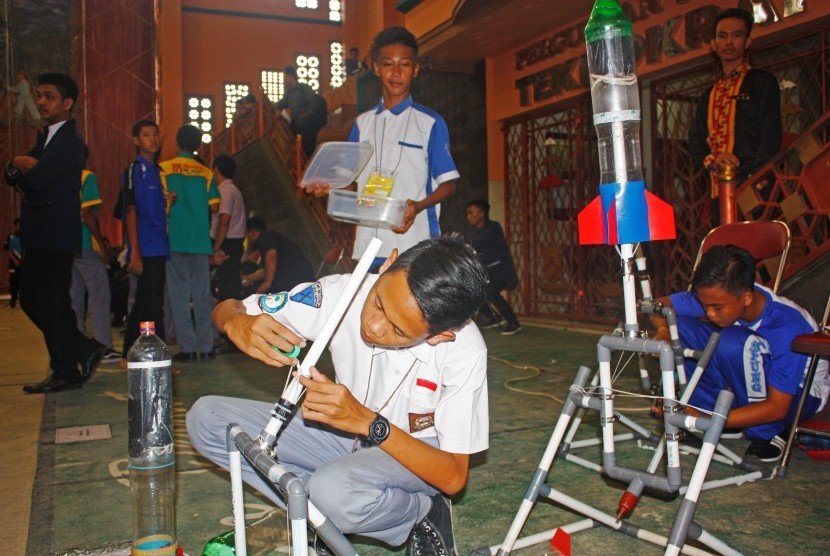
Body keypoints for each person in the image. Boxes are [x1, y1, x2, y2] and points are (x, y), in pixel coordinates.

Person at [187, 236, 489, 553]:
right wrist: (235, 321)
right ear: (386, 264)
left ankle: (421, 512)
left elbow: (453, 477)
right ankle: (320, 516)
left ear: (439, 336)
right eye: (379, 302)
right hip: (345, 433)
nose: (373, 325)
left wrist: (370, 423)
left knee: (331, 493)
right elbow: (230, 307)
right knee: (207, 419)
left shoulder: (465, 352)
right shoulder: (341, 293)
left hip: (417, 453)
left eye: (398, 331)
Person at [650, 245, 829, 463]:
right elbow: (660, 305)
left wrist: (711, 420)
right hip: (748, 380)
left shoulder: (786, 326)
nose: (709, 314)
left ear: (746, 298)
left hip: (800, 396)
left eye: (716, 307)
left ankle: (767, 433)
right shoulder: (721, 295)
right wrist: (663, 331)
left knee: (734, 342)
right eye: (705, 306)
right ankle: (711, 412)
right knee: (679, 326)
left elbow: (778, 408)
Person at [5, 72, 107, 393]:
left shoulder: (70, 142)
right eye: (39, 95)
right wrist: (18, 165)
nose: (40, 102)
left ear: (67, 103)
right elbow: (15, 175)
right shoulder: (45, 138)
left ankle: (69, 365)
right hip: (41, 234)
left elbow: (35, 180)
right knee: (39, 301)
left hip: (55, 234)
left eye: (48, 96)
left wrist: (25, 169)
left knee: (46, 302)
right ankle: (80, 354)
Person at [349, 26, 459, 272]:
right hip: (367, 246)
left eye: (405, 64)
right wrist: (325, 184)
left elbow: (448, 184)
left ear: (416, 68)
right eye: (388, 64)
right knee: (368, 310)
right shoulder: (361, 124)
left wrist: (417, 206)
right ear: (376, 67)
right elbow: (347, 179)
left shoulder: (429, 123)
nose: (396, 73)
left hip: (412, 245)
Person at [688, 8, 781, 225]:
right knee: (725, 254)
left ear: (747, 41)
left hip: (757, 189)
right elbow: (695, 142)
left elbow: (771, 135)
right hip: (718, 192)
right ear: (713, 43)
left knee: (756, 254)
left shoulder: (761, 82)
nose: (729, 42)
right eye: (723, 36)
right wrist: (713, 159)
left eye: (737, 35)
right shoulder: (708, 95)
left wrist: (756, 181)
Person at [160, 125, 220, 362]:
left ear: (177, 142)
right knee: (202, 295)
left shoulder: (164, 169)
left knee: (179, 296)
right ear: (198, 145)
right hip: (199, 240)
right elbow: (214, 206)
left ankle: (186, 348)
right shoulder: (206, 173)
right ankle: (206, 347)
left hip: (174, 239)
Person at [121, 119, 172, 367]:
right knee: (151, 306)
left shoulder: (156, 170)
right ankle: (155, 358)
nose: (152, 139)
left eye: (155, 135)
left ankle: (129, 355)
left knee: (147, 302)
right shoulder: (135, 169)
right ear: (136, 140)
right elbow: (130, 211)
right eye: (146, 135)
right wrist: (136, 252)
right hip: (147, 247)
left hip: (160, 245)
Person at [70, 160, 120, 364]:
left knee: (74, 300)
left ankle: (76, 346)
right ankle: (102, 347)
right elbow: (87, 213)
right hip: (85, 244)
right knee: (99, 297)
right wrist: (101, 243)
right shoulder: (85, 177)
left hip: (65, 246)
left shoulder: (58, 177)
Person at [466, 199, 522, 335]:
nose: (468, 216)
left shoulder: (493, 228)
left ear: (481, 213)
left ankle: (514, 323)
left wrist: (459, 241)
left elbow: (476, 243)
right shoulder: (477, 233)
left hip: (502, 271)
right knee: (471, 290)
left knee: (489, 291)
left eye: (471, 212)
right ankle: (493, 317)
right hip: (489, 273)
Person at [241, 217, 314, 295]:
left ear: (252, 232)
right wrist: (249, 278)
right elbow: (267, 270)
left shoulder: (265, 237)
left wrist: (267, 282)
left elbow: (272, 254)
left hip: (295, 279)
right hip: (298, 279)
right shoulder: (271, 238)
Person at [210, 154, 246, 301]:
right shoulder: (233, 189)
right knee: (229, 281)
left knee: (227, 284)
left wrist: (216, 248)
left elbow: (224, 220)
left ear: (216, 170)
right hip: (232, 242)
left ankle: (229, 319)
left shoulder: (225, 191)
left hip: (227, 242)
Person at [274, 65, 327, 157]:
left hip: (307, 122)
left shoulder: (303, 88)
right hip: (295, 123)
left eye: (284, 77)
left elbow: (314, 102)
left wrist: (307, 116)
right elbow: (279, 105)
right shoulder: (288, 93)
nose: (283, 80)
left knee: (307, 140)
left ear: (290, 76)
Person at [4, 218, 22, 308]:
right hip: (14, 264)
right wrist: (15, 260)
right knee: (14, 282)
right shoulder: (11, 236)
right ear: (15, 226)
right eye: (18, 225)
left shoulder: (27, 237)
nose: (20, 227)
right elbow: (8, 250)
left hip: (24, 263)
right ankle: (13, 299)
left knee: (24, 282)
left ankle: (23, 300)